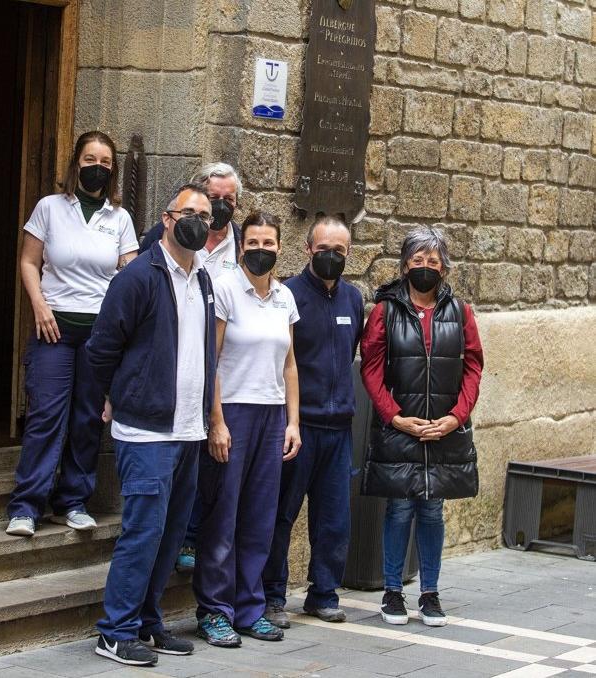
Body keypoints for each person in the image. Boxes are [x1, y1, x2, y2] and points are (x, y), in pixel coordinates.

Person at [86, 183, 217, 667]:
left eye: (206, 215)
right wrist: (107, 396)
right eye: (190, 213)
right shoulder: (138, 277)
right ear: (167, 218)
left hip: (188, 429)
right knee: (143, 531)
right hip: (146, 431)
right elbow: (102, 348)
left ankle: (146, 622)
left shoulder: (202, 278)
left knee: (170, 532)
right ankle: (115, 631)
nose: (199, 222)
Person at [6, 131, 138, 537]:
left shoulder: (119, 218)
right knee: (46, 414)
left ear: (112, 170)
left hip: (99, 336)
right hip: (54, 329)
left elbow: (128, 275)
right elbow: (29, 262)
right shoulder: (50, 207)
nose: (97, 167)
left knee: (86, 419)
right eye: (89, 159)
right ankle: (27, 506)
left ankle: (72, 501)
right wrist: (40, 306)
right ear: (75, 163)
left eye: (105, 162)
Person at [360, 227, 483, 627]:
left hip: (442, 430)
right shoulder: (385, 311)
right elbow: (373, 369)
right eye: (418, 260)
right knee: (398, 509)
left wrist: (455, 417)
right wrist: (394, 416)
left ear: (444, 267)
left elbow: (473, 367)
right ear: (405, 264)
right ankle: (392, 592)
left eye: (433, 261)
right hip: (401, 427)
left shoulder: (460, 312)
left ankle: (430, 593)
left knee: (432, 510)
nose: (425, 268)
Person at [193, 211, 302, 648]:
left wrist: (293, 422)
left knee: (259, 517)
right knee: (223, 515)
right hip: (232, 414)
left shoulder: (284, 297)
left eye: (268, 244)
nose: (260, 250)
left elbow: (290, 364)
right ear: (242, 247)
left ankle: (249, 608)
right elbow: (210, 359)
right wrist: (215, 420)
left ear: (279, 248)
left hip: (272, 414)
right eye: (253, 243)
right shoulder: (224, 290)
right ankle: (215, 611)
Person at [262, 215, 364, 629]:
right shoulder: (287, 295)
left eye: (339, 251)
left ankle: (323, 593)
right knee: (281, 515)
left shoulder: (354, 299)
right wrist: (291, 421)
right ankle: (271, 596)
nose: (331, 257)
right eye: (323, 249)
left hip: (339, 429)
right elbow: (280, 362)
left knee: (333, 519)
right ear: (307, 249)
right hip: (298, 428)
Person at [141, 161, 243, 573]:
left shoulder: (244, 244)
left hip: (224, 373)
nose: (219, 207)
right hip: (172, 371)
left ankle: (191, 538)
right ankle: (172, 540)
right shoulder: (170, 242)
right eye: (212, 199)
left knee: (208, 466)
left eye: (227, 200)